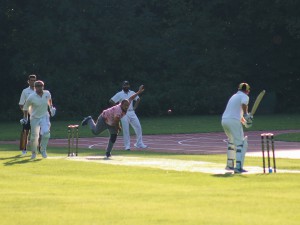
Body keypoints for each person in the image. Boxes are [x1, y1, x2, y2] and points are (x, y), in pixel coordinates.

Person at [81, 85, 145, 159]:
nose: (127, 107)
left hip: (111, 122)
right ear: (121, 104)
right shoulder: (119, 110)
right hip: (104, 119)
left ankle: (108, 152)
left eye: (128, 105)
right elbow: (116, 121)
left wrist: (138, 92)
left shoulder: (126, 103)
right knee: (95, 132)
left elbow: (131, 98)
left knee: (114, 136)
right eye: (125, 106)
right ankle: (89, 120)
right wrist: (119, 128)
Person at [221, 82, 253, 173]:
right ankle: (238, 167)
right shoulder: (245, 96)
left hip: (224, 120)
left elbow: (237, 114)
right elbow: (244, 105)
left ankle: (229, 165)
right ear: (247, 91)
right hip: (233, 121)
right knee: (241, 144)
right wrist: (247, 114)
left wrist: (245, 122)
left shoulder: (234, 96)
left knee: (231, 142)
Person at [21, 80, 56, 159]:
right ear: (35, 87)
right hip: (34, 118)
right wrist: (25, 117)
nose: (40, 88)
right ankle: (34, 152)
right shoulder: (31, 97)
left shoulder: (47, 93)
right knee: (34, 137)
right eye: (38, 86)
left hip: (44, 116)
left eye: (41, 86)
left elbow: (49, 101)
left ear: (43, 86)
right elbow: (25, 108)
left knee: (46, 134)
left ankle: (43, 150)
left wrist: (51, 108)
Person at [109, 81, 147, 151]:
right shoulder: (119, 94)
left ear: (129, 86)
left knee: (138, 127)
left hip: (132, 112)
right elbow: (111, 101)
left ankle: (139, 143)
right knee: (126, 130)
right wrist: (118, 109)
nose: (126, 86)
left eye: (127, 85)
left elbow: (138, 99)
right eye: (124, 85)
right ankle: (127, 146)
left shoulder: (132, 92)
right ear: (122, 86)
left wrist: (135, 107)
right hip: (123, 113)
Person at [18, 74, 37, 155]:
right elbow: (21, 104)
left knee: (37, 132)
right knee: (26, 132)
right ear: (28, 81)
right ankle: (24, 149)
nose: (33, 82)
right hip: (27, 114)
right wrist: (25, 114)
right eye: (31, 80)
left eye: (34, 80)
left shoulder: (39, 91)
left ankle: (37, 149)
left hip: (37, 114)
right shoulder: (25, 91)